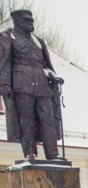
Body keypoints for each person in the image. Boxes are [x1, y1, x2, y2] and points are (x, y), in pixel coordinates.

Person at [0, 10, 63, 160]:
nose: (31, 24)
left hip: (42, 86)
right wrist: (5, 85)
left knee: (47, 119)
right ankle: (30, 153)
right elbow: (5, 63)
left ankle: (53, 154)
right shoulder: (8, 38)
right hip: (21, 84)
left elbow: (45, 65)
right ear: (17, 22)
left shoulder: (38, 41)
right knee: (26, 120)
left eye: (32, 21)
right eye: (27, 21)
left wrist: (53, 76)